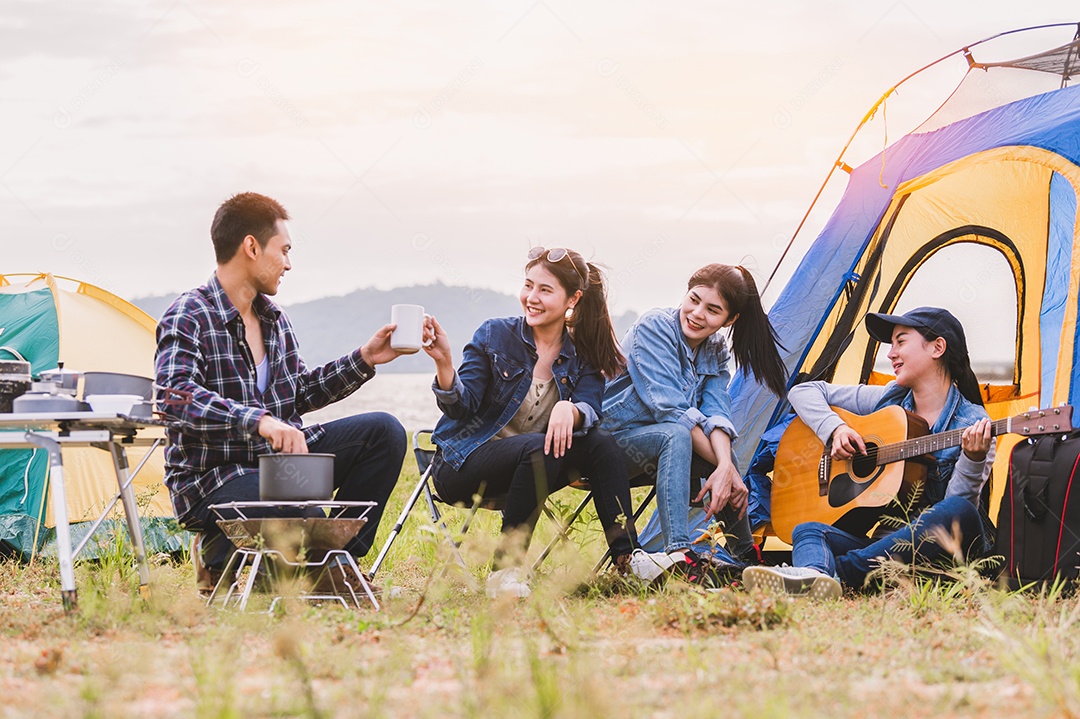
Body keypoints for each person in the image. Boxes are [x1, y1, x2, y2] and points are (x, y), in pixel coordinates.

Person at [155, 192, 408, 593]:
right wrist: (258, 422)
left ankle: (338, 564)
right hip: (217, 474)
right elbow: (173, 396)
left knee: (384, 432)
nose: (289, 263)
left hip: (281, 468)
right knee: (292, 505)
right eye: (284, 250)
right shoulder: (190, 314)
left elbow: (298, 393)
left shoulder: (275, 320)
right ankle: (226, 554)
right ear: (251, 247)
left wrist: (365, 359)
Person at [424, 246, 666, 598]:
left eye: (545, 290)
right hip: (464, 466)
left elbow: (591, 407)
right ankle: (505, 571)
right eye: (528, 286)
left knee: (601, 442)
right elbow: (462, 407)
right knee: (538, 446)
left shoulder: (582, 353)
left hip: (532, 473)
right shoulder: (495, 335)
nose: (531, 298)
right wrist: (444, 364)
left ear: (574, 298)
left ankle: (629, 558)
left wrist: (573, 410)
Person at [742, 307, 994, 599]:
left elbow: (953, 519)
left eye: (901, 341)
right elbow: (804, 392)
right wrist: (835, 430)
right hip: (884, 548)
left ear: (937, 347)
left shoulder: (974, 423)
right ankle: (819, 577)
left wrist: (974, 460)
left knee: (959, 511)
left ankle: (833, 574)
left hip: (937, 551)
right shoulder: (887, 399)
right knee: (808, 529)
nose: (890, 354)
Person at [602, 264, 788, 586]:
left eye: (713, 310)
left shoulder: (714, 348)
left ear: (730, 321)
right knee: (680, 436)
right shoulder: (655, 327)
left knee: (722, 451)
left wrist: (726, 466)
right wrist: (725, 468)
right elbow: (671, 410)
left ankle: (747, 559)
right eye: (694, 299)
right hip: (611, 443)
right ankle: (679, 554)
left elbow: (717, 411)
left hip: (666, 447)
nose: (698, 314)